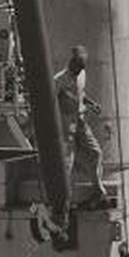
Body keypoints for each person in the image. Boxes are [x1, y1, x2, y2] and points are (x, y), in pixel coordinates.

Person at [54, 45, 108, 208]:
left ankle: (97, 191)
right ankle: (64, 197)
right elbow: (51, 103)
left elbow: (80, 94)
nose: (79, 71)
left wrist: (91, 104)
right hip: (66, 124)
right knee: (67, 161)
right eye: (77, 67)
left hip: (80, 121)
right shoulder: (59, 80)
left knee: (95, 152)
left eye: (82, 68)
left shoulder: (81, 75)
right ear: (72, 63)